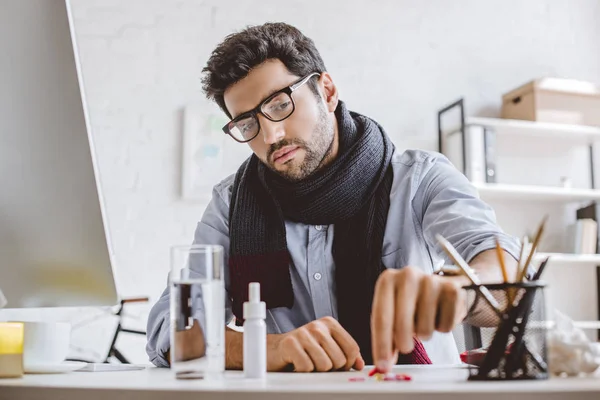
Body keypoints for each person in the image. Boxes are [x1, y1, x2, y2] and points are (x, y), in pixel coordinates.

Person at [146, 22, 520, 373]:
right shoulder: (231, 205)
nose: (270, 135)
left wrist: (461, 291)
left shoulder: (419, 178)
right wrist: (271, 348)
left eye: (279, 105)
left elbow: (508, 272)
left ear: (326, 92)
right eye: (247, 123)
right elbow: (170, 328)